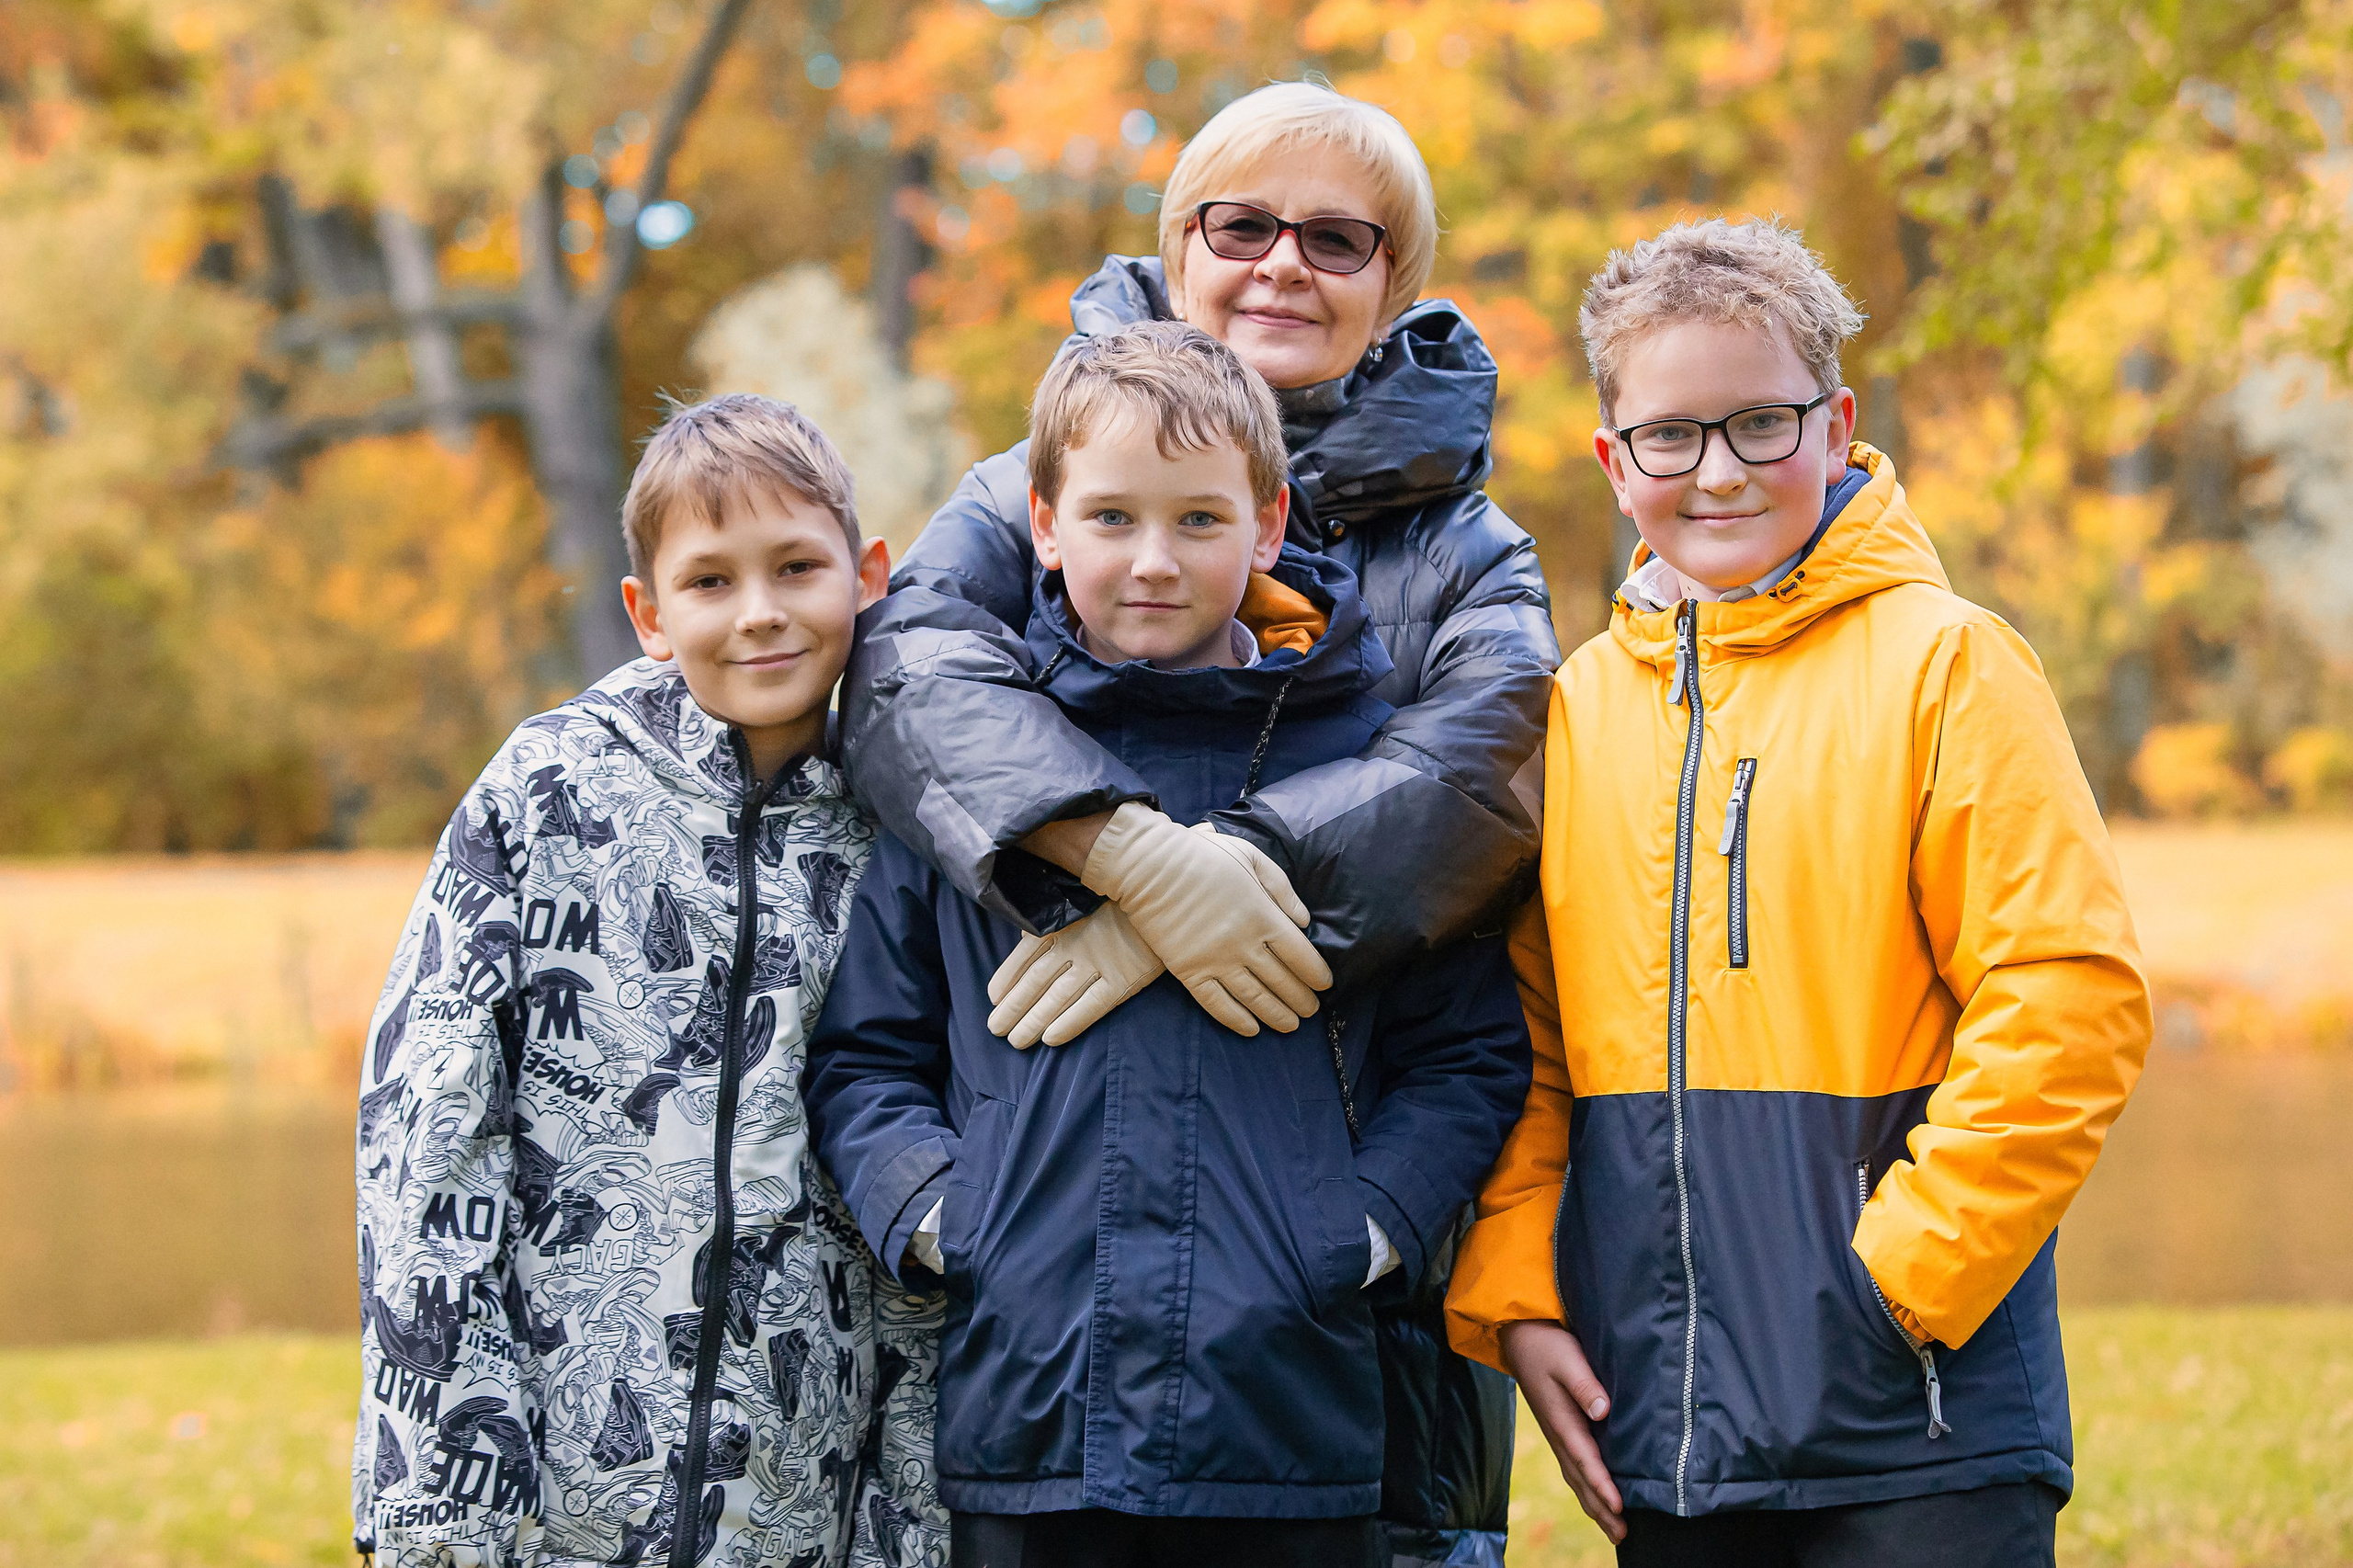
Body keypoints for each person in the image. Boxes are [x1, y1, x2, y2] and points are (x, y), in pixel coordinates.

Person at [843, 80, 1553, 1563]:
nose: (1284, 262)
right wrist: (1127, 855)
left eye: (1338, 238)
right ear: (1177, 248)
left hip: (1325, 1357)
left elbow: (1482, 774)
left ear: (1394, 282)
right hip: (1049, 1334)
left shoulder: (1468, 544)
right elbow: (910, 677)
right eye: (1242, 225)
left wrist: (1224, 880)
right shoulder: (1022, 481)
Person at [1444, 218, 2155, 1567]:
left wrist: (1897, 1285)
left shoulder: (1950, 665)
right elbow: (1530, 1041)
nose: (1718, 471)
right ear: (1615, 461)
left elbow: (2068, 999)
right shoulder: (1581, 710)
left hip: (1921, 1420)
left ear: (1834, 426)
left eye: (1760, 424)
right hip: (1669, 1426)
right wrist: (1524, 1293)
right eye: (1672, 436)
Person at [350, 395, 944, 1568]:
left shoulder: (907, 828)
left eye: (796, 566)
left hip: (798, 1493)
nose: (762, 611)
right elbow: (426, 1130)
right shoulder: (546, 793)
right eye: (712, 581)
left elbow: (920, 1164)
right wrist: (441, 1494)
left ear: (868, 574)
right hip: (546, 1485)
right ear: (648, 613)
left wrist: (906, 1520)